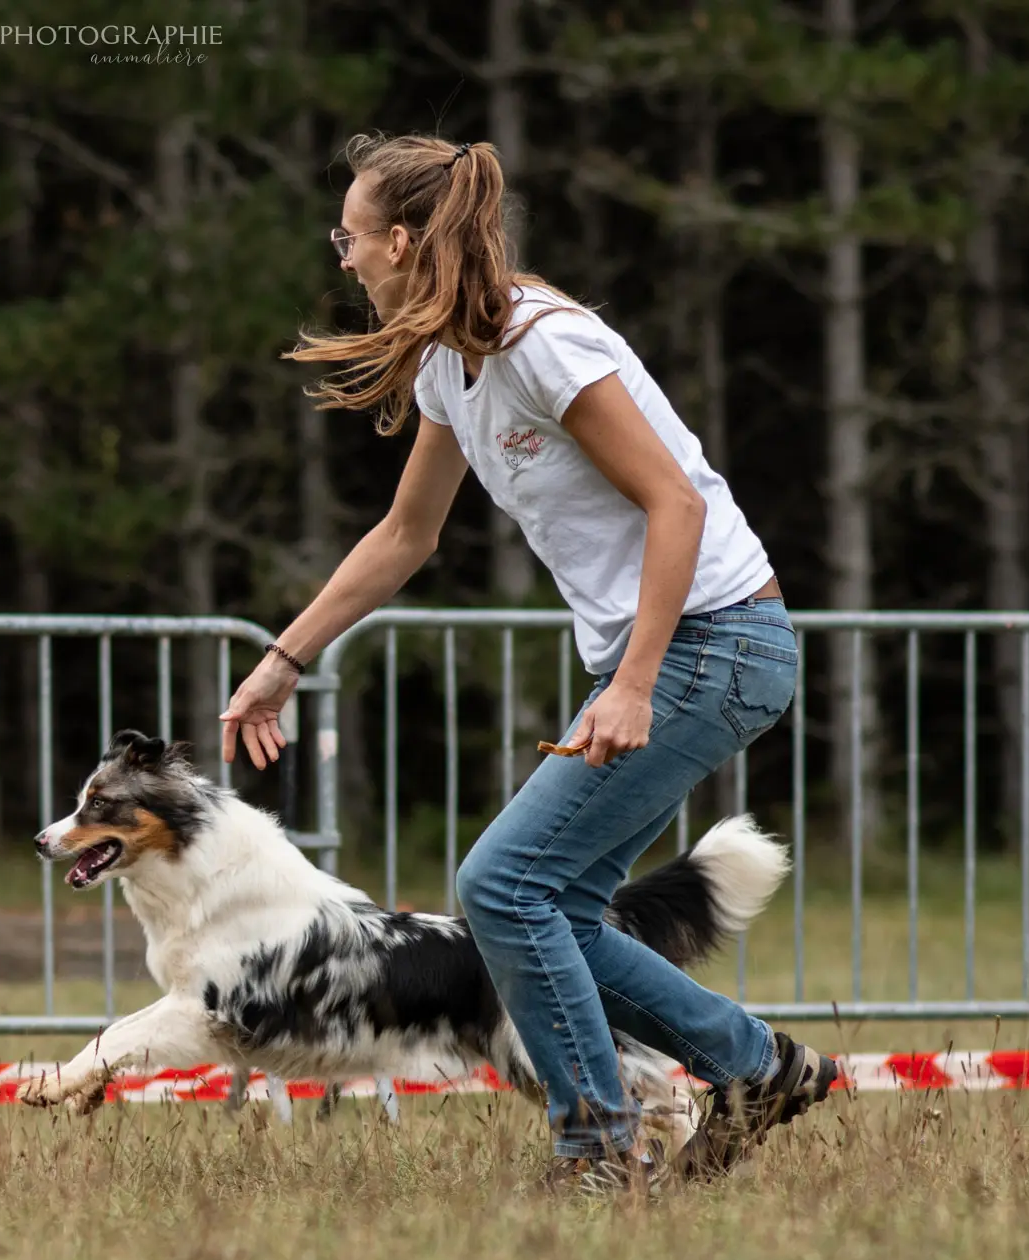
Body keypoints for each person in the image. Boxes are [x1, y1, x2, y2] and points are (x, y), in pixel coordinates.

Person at [217, 134, 839, 1195]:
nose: (343, 259)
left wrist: (634, 682)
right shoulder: (453, 365)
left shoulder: (542, 343)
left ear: (404, 241)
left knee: (499, 887)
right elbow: (403, 535)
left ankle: (600, 1144)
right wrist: (285, 657)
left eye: (350, 237)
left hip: (714, 639)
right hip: (681, 648)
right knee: (544, 906)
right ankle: (752, 1067)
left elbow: (675, 504)